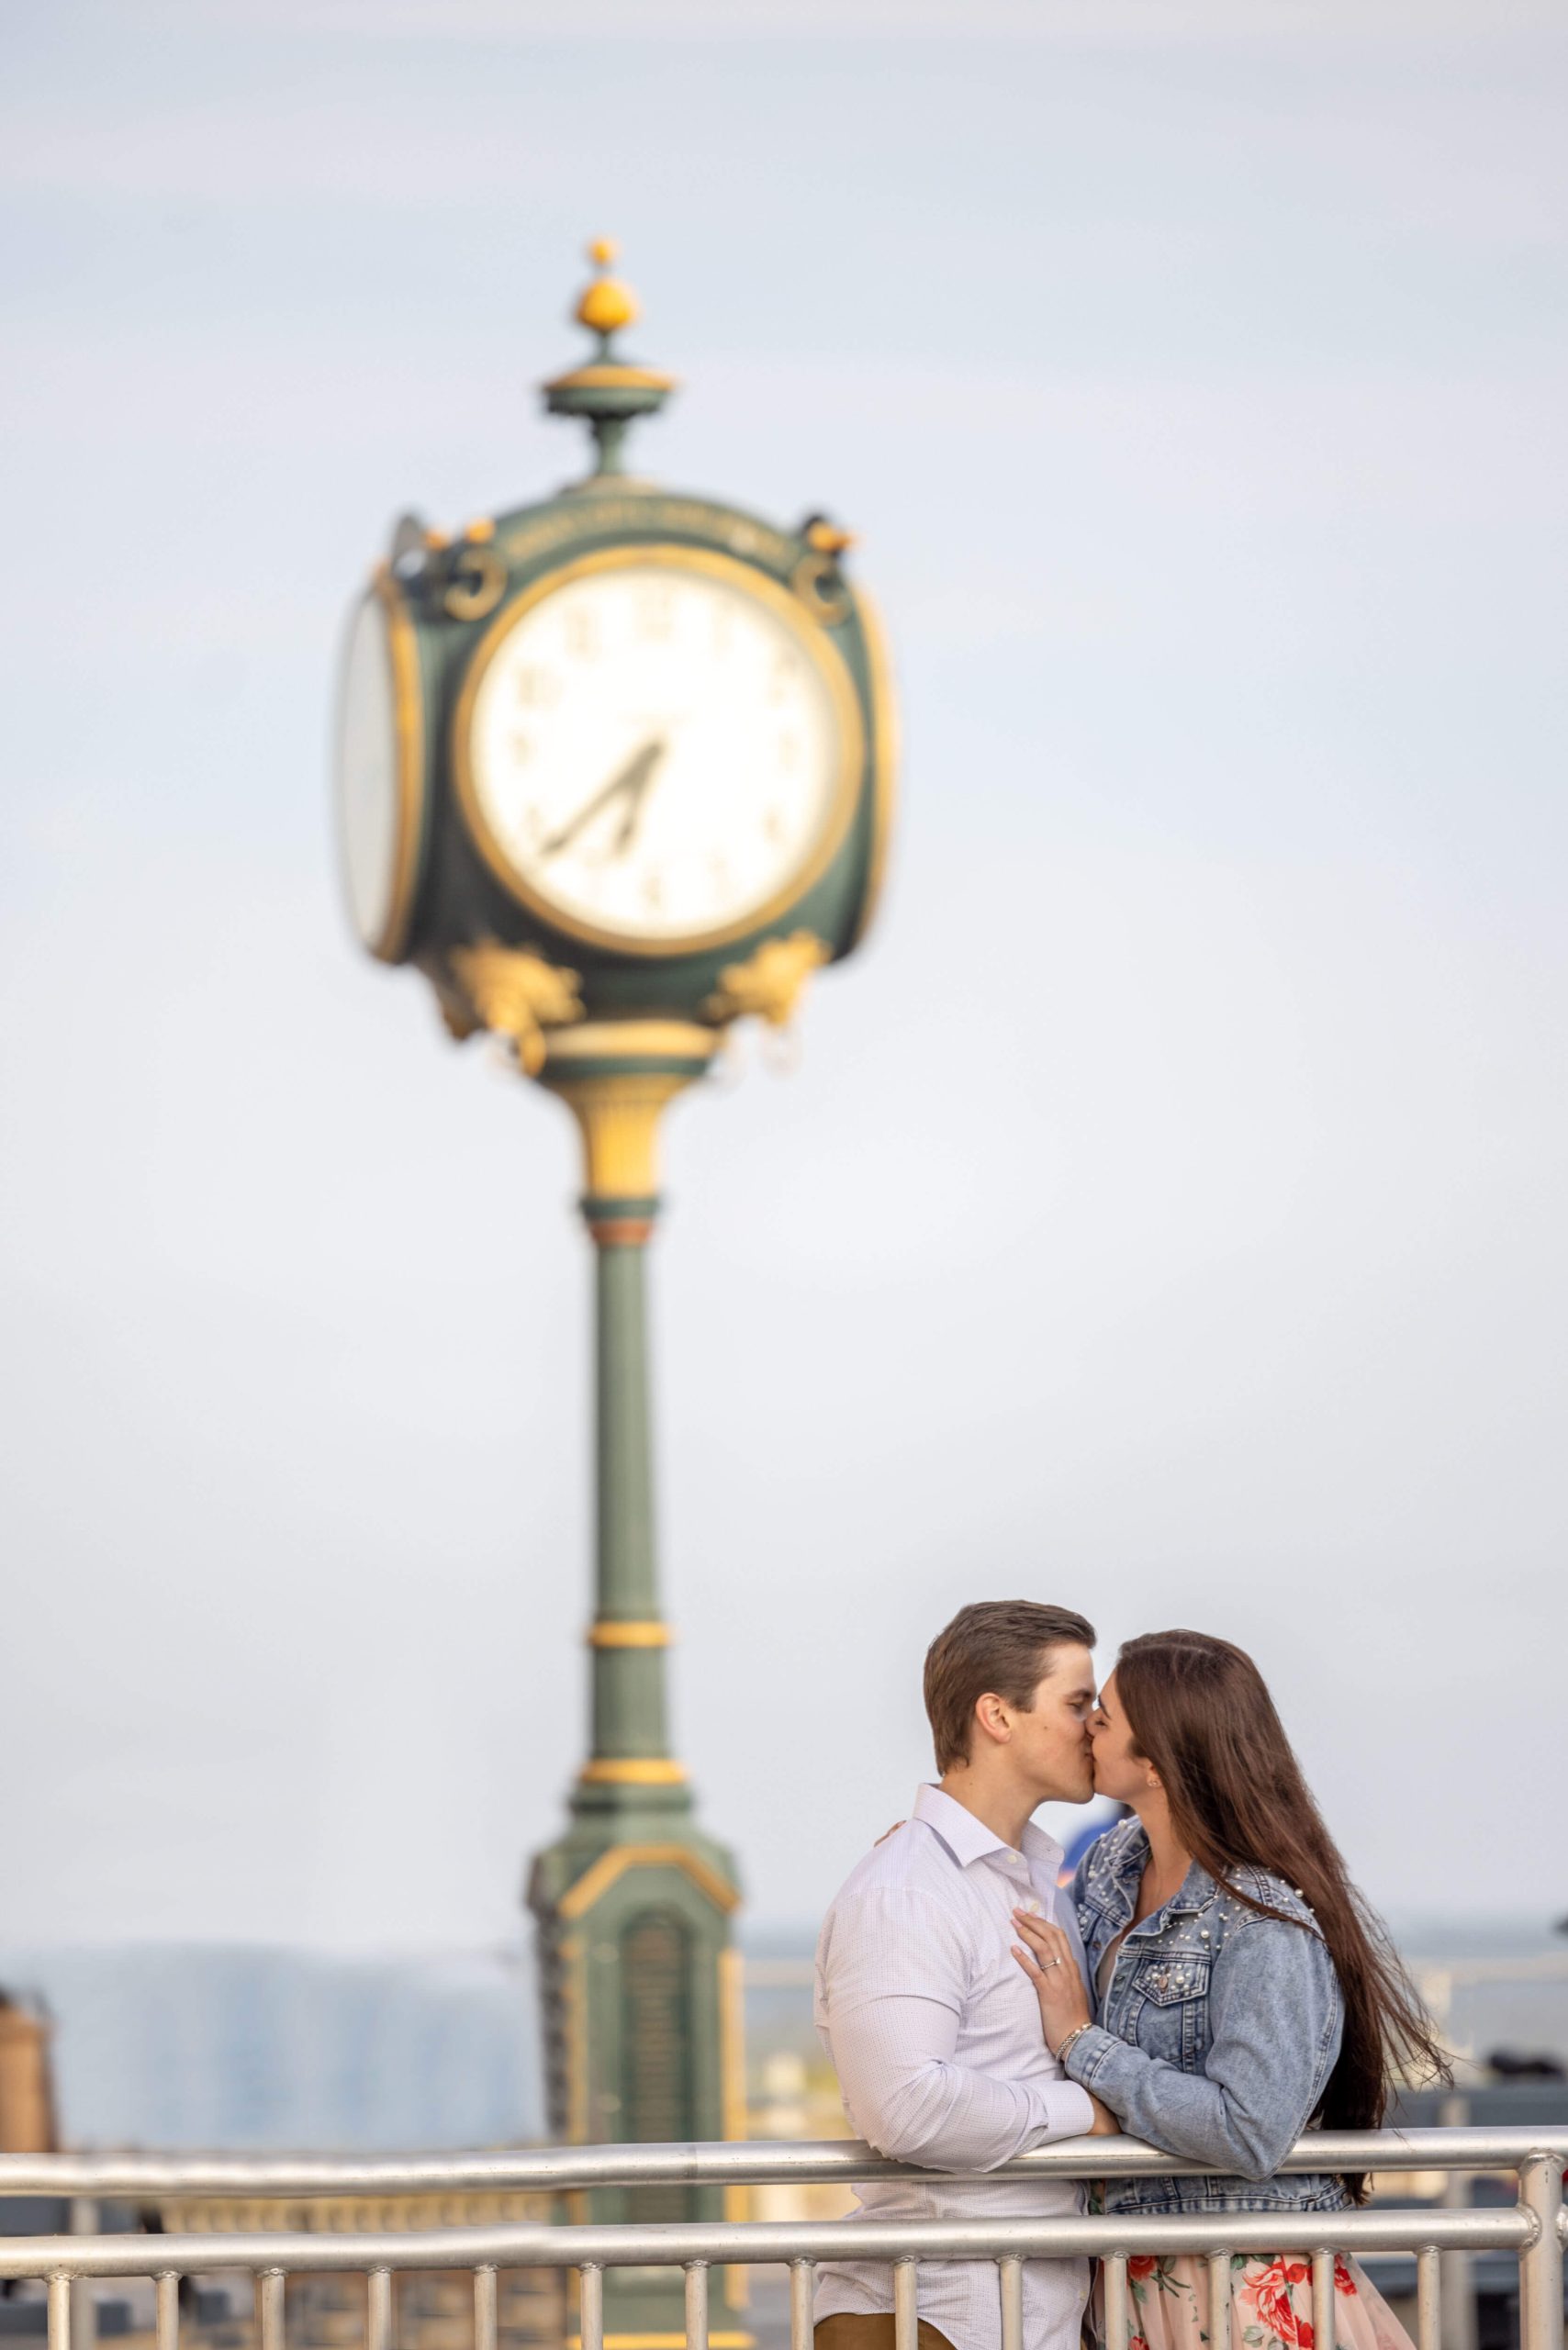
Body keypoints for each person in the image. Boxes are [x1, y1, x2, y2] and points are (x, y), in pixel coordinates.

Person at [1011, 1629, 1446, 2350]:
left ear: (1157, 1761)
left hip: (1241, 2287)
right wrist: (935, 1847)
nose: (1087, 1722)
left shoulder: (1260, 1922)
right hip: (1130, 2277)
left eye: (1106, 1716)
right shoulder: (1112, 1865)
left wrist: (1081, 2046)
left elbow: (1251, 2128)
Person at [812, 1600, 1116, 2350]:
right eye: (1078, 1703)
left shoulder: (1040, 1877)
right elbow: (905, 2108)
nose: (1097, 1725)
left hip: (1024, 2300)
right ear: (997, 1716)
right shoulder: (906, 1892)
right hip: (938, 2306)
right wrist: (1090, 2112)